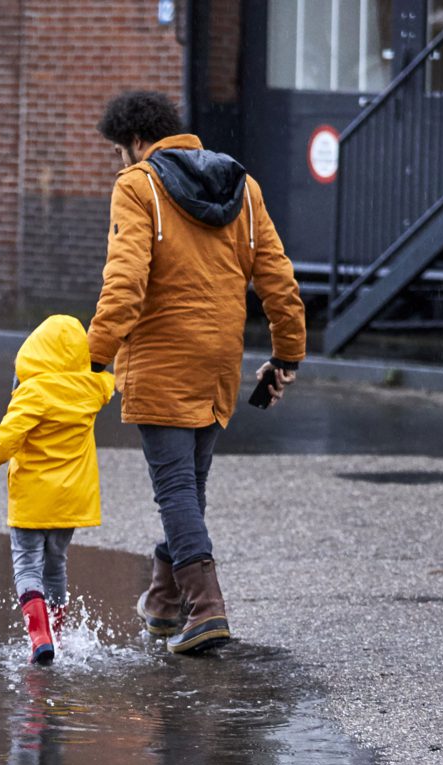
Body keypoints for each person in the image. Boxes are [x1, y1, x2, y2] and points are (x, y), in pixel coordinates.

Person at [87, 90, 308, 655]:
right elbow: (279, 280)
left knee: (177, 490)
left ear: (137, 142)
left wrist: (93, 356)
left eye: (120, 152)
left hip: (161, 358)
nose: (121, 163)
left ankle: (206, 611)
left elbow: (126, 281)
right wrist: (286, 355)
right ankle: (163, 604)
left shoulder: (138, 187)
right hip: (218, 361)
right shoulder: (243, 187)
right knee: (189, 488)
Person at [0, 313, 115, 666]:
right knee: (56, 566)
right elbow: (108, 380)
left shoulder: (33, 394)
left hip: (32, 500)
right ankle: (57, 637)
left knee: (27, 566)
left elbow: (4, 439)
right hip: (70, 502)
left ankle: (39, 637)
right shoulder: (91, 390)